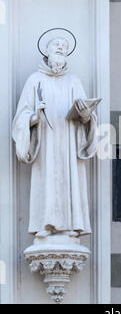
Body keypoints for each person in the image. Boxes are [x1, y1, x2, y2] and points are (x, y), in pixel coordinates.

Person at [12, 34, 97, 238]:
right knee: (46, 178)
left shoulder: (73, 81)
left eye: (64, 46)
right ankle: (45, 223)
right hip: (46, 142)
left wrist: (86, 114)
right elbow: (20, 117)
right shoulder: (35, 80)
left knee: (69, 180)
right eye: (56, 45)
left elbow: (87, 114)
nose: (61, 48)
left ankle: (70, 225)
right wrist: (35, 115)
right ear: (47, 51)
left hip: (68, 141)